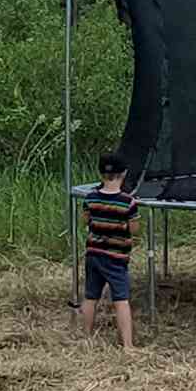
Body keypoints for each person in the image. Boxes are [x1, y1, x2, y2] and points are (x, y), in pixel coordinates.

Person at [81, 148, 138, 350]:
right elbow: (134, 229)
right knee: (121, 299)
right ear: (123, 173)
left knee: (90, 296)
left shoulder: (90, 198)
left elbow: (86, 220)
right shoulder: (128, 203)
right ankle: (128, 345)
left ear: (100, 173)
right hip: (116, 257)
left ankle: (86, 337)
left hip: (93, 254)